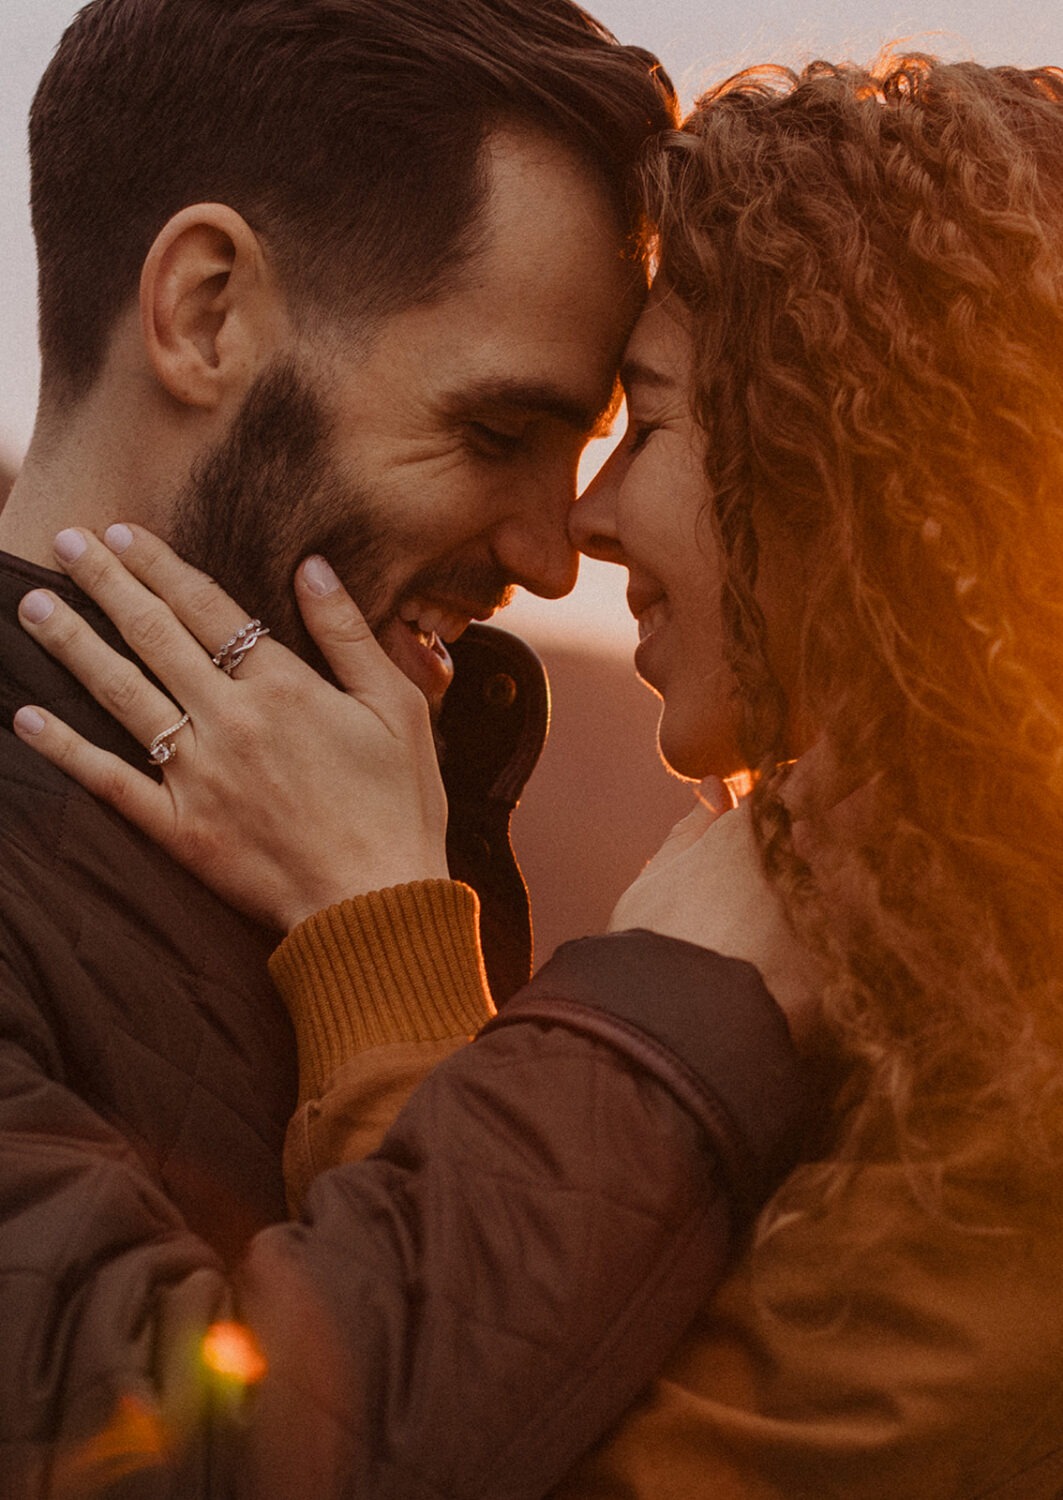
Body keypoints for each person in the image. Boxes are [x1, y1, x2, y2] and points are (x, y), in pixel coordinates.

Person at [22, 49, 1063, 1499]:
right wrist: (649, 1006)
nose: (563, 544)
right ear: (204, 311)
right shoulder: (821, 965)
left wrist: (396, 960)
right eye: (498, 430)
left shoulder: (982, 1043)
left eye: (636, 425)